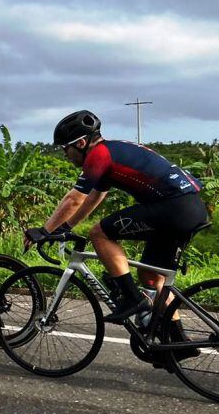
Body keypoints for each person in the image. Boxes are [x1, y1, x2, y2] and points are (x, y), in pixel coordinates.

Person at [27, 110, 208, 336]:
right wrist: (65, 227)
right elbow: (95, 196)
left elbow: (75, 199)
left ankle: (132, 299)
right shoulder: (112, 150)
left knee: (99, 233)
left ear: (81, 143)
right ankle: (179, 343)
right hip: (190, 208)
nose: (65, 154)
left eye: (66, 148)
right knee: (153, 278)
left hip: (174, 208)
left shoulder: (99, 155)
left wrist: (44, 231)